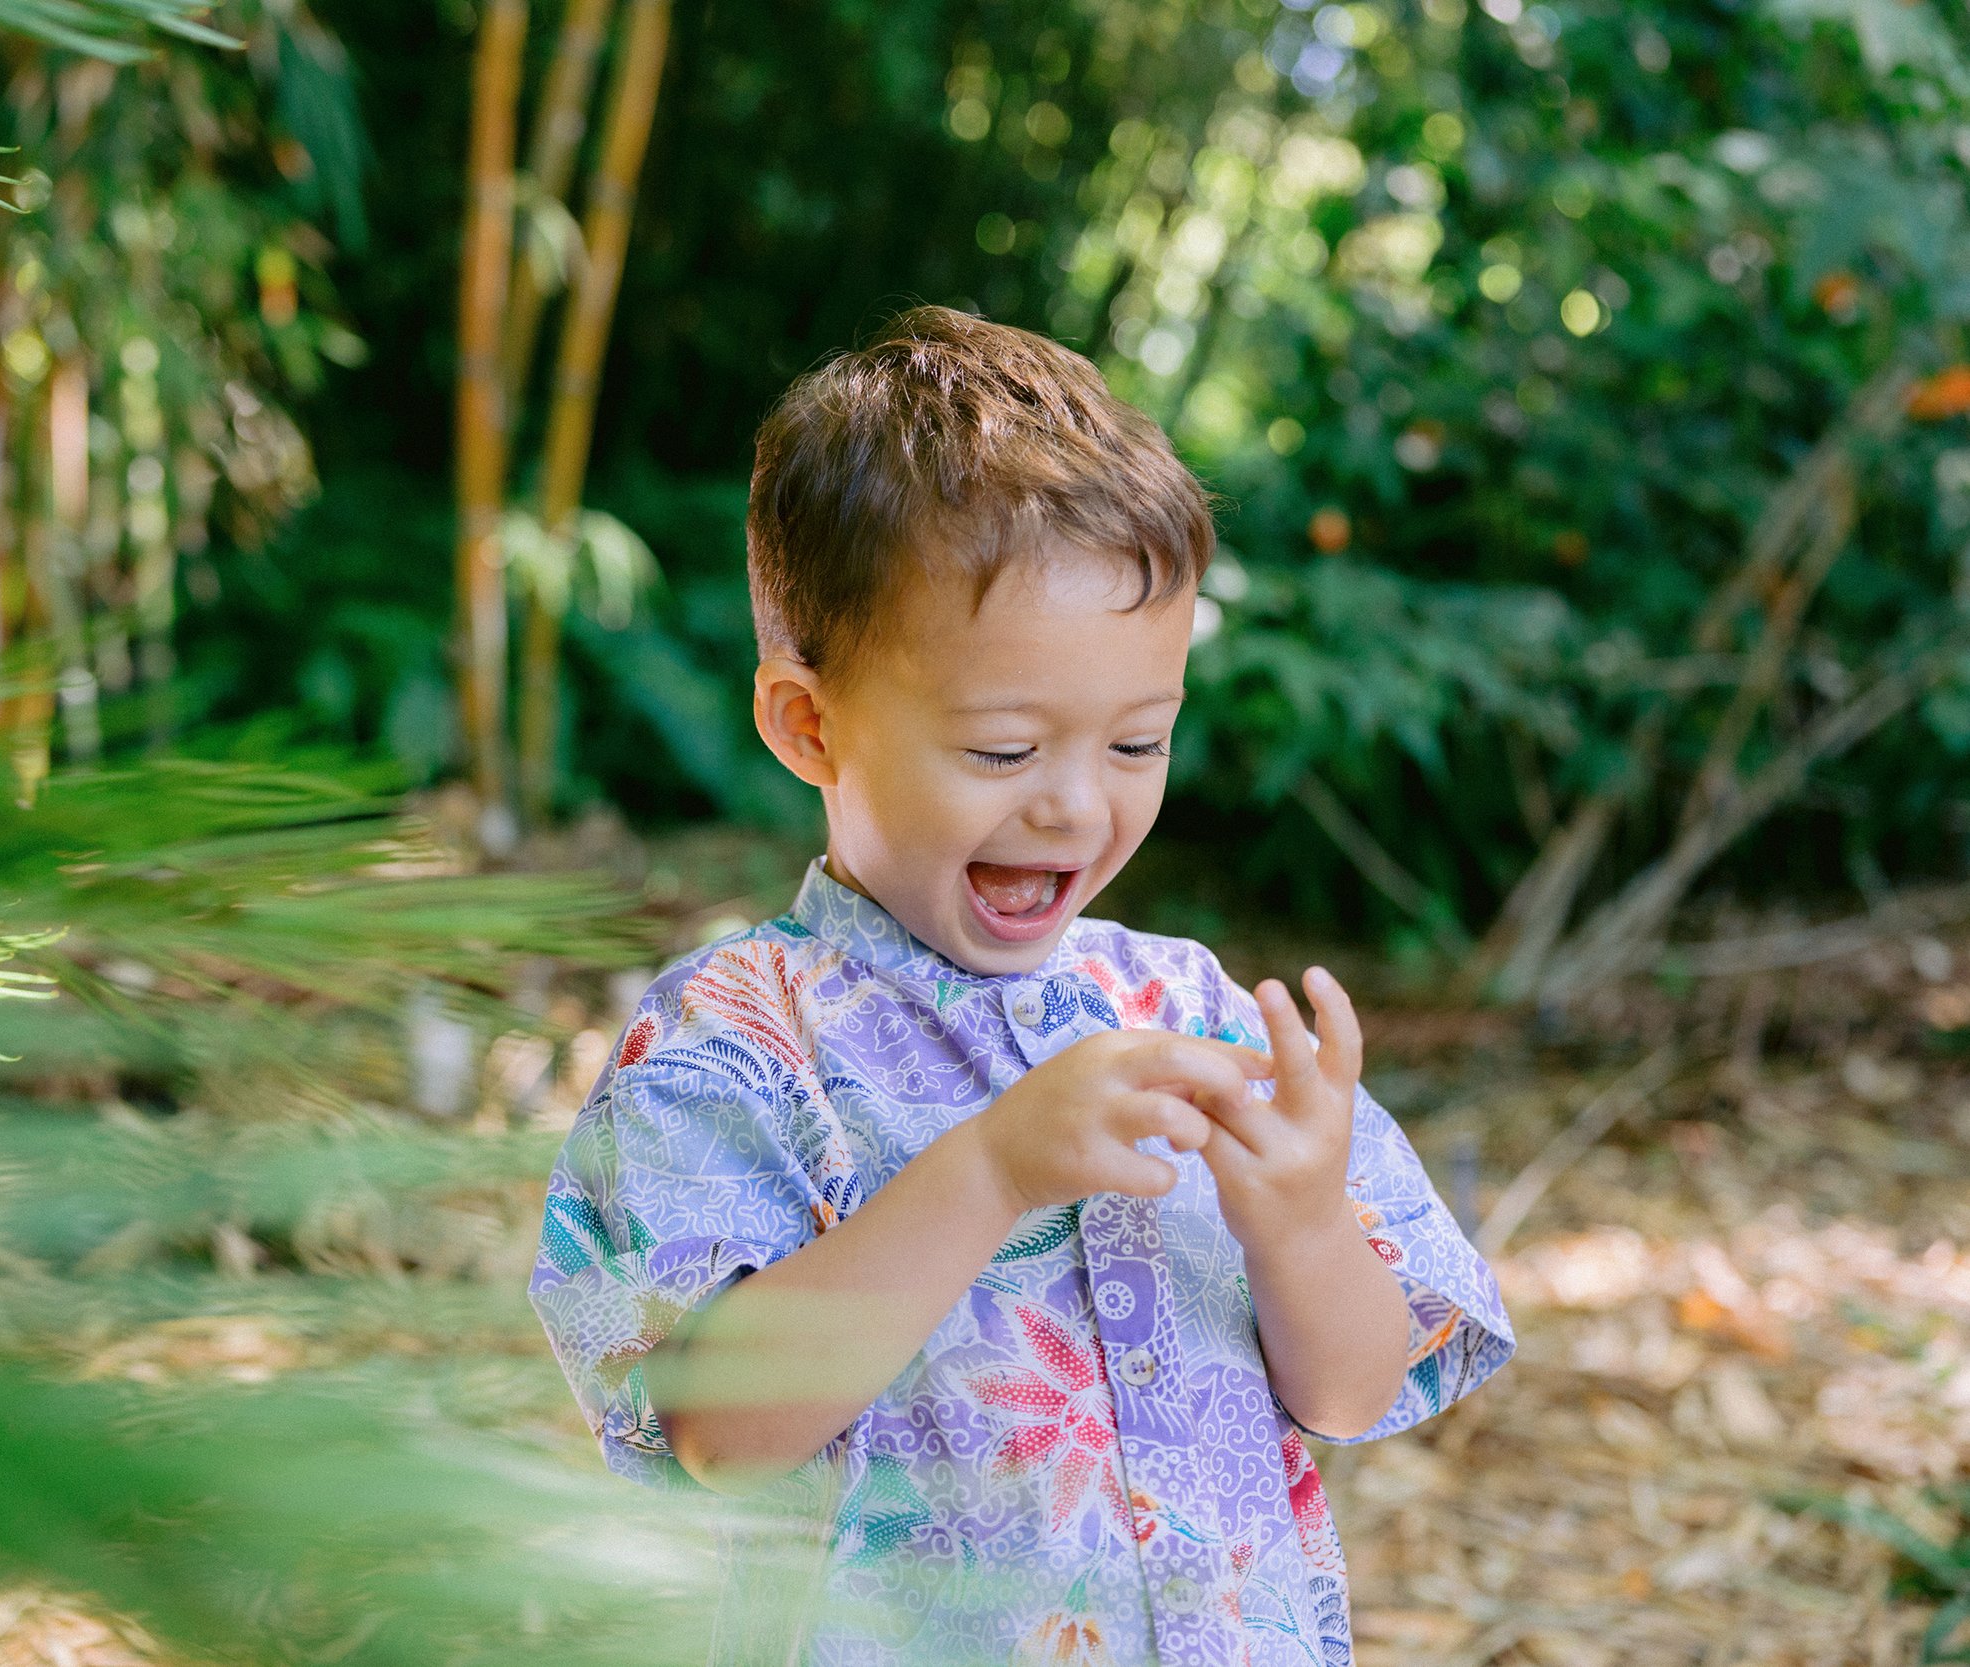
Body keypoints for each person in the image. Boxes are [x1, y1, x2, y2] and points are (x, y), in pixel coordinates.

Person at [529, 307, 1513, 1666]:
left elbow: (1354, 1387)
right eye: (1002, 747)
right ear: (809, 723)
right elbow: (716, 1425)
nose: (1074, 804)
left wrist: (1297, 1216)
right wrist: (991, 1167)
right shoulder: (738, 1041)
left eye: (1136, 739)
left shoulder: (1201, 1018)